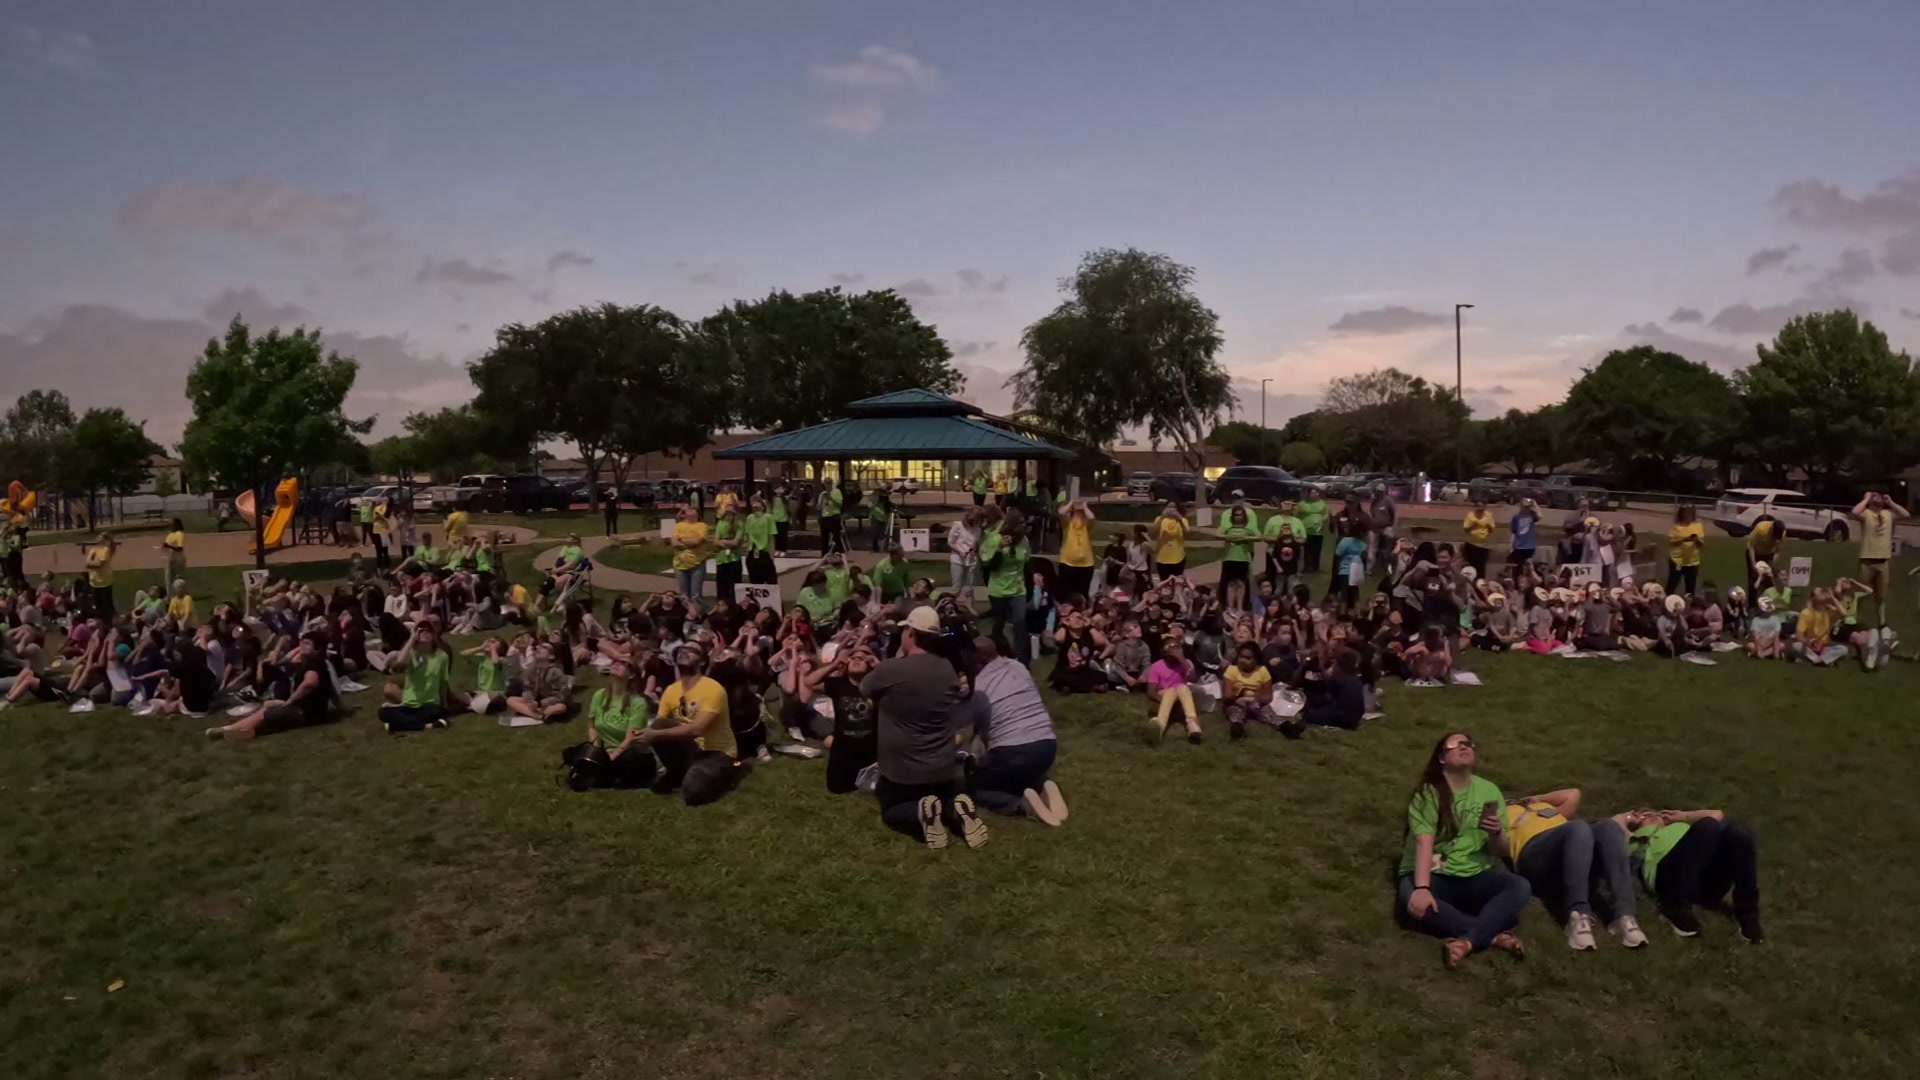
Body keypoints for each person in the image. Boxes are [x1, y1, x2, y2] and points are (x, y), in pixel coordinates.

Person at [1396, 732, 1531, 968]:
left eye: (1468, 743)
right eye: (1455, 744)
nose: (1464, 746)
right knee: (1417, 903)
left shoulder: (1489, 790)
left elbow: (1499, 852)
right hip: (1432, 874)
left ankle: (1468, 940)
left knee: (1519, 886)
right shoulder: (1429, 792)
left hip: (1473, 874)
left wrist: (1496, 833)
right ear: (1441, 757)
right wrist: (1422, 887)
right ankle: (1492, 934)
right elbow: (1423, 841)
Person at [861, 607, 988, 849]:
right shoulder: (947, 671)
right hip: (941, 765)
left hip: (901, 769)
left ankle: (920, 811)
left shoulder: (893, 669)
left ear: (910, 632)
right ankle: (954, 806)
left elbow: (866, 689)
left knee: (891, 809)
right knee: (940, 794)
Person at [1502, 788, 1647, 951]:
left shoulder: (1544, 807)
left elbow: (1573, 793)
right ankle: (1578, 915)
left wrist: (1535, 799)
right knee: (1578, 827)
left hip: (1575, 853)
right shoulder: (1501, 813)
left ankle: (1625, 916)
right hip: (1533, 855)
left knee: (1609, 826)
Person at [1615, 806, 1764, 942]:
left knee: (1739, 835)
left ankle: (1748, 915)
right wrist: (1628, 818)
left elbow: (1716, 814)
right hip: (1669, 880)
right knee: (1708, 826)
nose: (1652, 815)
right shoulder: (1633, 838)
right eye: (1643, 815)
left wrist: (1682, 816)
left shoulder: (1684, 828)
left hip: (1705, 883)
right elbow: (1612, 824)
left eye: (1656, 813)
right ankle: (1674, 907)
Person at [969, 636, 1068, 825]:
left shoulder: (979, 687)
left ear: (977, 660)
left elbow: (979, 738)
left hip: (1012, 751)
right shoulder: (1018, 667)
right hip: (1047, 745)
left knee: (976, 788)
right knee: (1017, 773)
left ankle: (1021, 805)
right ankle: (1042, 783)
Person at [635, 644, 742, 805]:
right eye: (681, 650)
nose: (683, 652)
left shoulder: (712, 688)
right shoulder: (671, 690)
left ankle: (726, 773)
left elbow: (697, 729)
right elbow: (658, 724)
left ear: (702, 662)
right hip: (689, 747)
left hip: (716, 752)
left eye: (691, 651)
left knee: (693, 792)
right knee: (659, 725)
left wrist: (655, 734)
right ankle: (678, 771)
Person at [205, 633, 340, 740]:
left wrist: (289, 702)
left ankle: (228, 730)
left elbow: (310, 683)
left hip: (308, 713)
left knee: (267, 712)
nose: (302, 646)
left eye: (308, 644)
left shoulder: (315, 664)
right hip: (308, 710)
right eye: (302, 642)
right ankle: (239, 731)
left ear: (318, 648)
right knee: (268, 707)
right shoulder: (313, 661)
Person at [578, 658, 657, 788]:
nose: (617, 664)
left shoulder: (638, 703)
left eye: (624, 664)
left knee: (626, 760)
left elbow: (631, 738)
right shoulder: (600, 695)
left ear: (632, 675)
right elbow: (592, 726)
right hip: (606, 750)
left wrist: (613, 754)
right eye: (616, 661)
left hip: (631, 752)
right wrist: (597, 750)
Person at [379, 622, 452, 731]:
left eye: (428, 631)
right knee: (383, 713)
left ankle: (397, 725)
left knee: (435, 711)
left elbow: (443, 681)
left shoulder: (442, 656)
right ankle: (426, 726)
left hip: (430, 704)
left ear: (433, 635)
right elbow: (399, 662)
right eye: (421, 631)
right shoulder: (412, 654)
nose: (424, 633)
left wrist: (444, 703)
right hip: (409, 704)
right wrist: (412, 638)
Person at [1850, 491, 1908, 628]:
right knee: (1860, 593)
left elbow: (1906, 514)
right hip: (1866, 560)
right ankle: (1852, 619)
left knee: (1881, 596)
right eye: (1874, 496)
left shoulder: (1889, 514)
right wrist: (1866, 499)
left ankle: (1882, 623)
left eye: (1879, 496)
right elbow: (1854, 512)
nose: (1878, 497)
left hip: (1883, 561)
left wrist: (1891, 502)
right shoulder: (1866, 514)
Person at [980, 514, 1031, 665]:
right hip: (998, 590)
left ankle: (1020, 660)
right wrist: (999, 548)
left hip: (1018, 589)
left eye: (1023, 524)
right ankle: (1000, 653)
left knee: (1020, 622)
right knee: (999, 625)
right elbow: (988, 566)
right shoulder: (995, 539)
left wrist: (1031, 585)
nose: (1022, 526)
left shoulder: (1024, 541)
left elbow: (1027, 564)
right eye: (1019, 524)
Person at [1143, 638, 1202, 745]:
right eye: (1170, 647)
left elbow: (1194, 679)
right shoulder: (1156, 666)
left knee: (1181, 687)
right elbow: (1151, 692)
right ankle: (1162, 725)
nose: (1174, 650)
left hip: (1182, 695)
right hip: (1163, 694)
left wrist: (1182, 660)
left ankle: (1190, 724)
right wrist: (1167, 701)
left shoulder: (1186, 663)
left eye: (1177, 647)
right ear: (1164, 651)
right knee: (1172, 691)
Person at [1057, 498, 1097, 603]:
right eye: (1076, 513)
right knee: (1066, 593)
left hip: (1086, 565)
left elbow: (1092, 517)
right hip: (1067, 564)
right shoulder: (1067, 524)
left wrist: (1084, 506)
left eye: (1081, 513)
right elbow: (1061, 513)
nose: (1079, 514)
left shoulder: (1086, 526)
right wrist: (1071, 503)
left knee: (1083, 593)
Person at [1218, 501, 1258, 603]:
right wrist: (1228, 537)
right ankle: (1230, 606)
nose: (1238, 517)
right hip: (1229, 559)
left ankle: (1240, 606)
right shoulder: (1228, 528)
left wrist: (1246, 538)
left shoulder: (1247, 530)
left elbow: (1259, 537)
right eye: (1236, 515)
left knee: (1241, 583)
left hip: (1243, 559)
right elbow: (1217, 534)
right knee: (1230, 583)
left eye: (1240, 515)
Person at [670, 504, 709, 608]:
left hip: (697, 563)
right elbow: (674, 543)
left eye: (693, 509)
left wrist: (681, 539)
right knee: (683, 595)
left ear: (697, 513)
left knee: (696, 595)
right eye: (689, 509)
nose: (691, 511)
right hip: (679, 564)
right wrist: (689, 542)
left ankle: (698, 616)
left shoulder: (702, 526)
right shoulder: (678, 526)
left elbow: (697, 541)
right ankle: (686, 616)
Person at [1665, 504, 1705, 596]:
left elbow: (1701, 545)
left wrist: (1696, 540)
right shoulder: (1676, 527)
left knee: (1690, 590)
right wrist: (1684, 539)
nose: (1688, 515)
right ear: (1681, 514)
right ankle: (1667, 603)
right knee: (1672, 585)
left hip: (1692, 562)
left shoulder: (1698, 526)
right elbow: (1672, 541)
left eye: (1690, 512)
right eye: (1686, 512)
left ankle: (1689, 606)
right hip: (1677, 561)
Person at [947, 507, 981, 604]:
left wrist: (974, 550)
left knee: (969, 587)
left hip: (971, 559)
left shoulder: (977, 529)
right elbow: (950, 542)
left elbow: (976, 543)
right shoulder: (958, 525)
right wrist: (960, 551)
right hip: (958, 559)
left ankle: (969, 607)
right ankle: (950, 607)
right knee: (956, 587)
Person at [711, 503, 742, 607]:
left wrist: (722, 541)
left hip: (734, 559)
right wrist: (725, 542)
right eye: (727, 511)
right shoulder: (721, 522)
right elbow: (715, 541)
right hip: (721, 559)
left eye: (731, 512)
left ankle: (734, 607)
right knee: (721, 588)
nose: (728, 514)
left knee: (734, 587)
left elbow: (736, 542)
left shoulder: (739, 524)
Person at [743, 495, 778, 585]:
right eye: (754, 507)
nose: (755, 508)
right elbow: (748, 537)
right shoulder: (749, 518)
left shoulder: (768, 518)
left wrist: (772, 555)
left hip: (764, 551)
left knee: (770, 580)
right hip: (753, 551)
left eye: (758, 506)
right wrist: (747, 554)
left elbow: (771, 537)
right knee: (754, 580)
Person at [85, 533, 117, 617]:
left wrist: (92, 564)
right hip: (94, 581)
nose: (97, 537)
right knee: (97, 605)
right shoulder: (93, 550)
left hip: (104, 581)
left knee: (107, 604)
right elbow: (87, 564)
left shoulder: (105, 550)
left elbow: (99, 564)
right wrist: (92, 564)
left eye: (100, 536)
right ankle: (100, 621)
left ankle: (110, 620)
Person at [1297, 487, 1328, 574]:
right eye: (1313, 493)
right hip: (1306, 530)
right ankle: (1306, 567)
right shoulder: (1302, 504)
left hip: (1318, 531)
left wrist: (1323, 520)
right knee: (1307, 550)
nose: (1315, 494)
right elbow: (1296, 514)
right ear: (1308, 494)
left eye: (1316, 493)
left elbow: (1326, 514)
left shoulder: (1322, 504)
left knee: (1317, 549)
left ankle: (1315, 567)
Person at [1152, 503, 1187, 580]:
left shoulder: (1182, 520)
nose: (1171, 510)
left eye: (1173, 508)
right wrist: (1162, 517)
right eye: (1169, 507)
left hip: (1178, 557)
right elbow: (1154, 531)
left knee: (1177, 581)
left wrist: (1180, 519)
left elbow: (1187, 531)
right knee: (1164, 581)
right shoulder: (1159, 519)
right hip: (1162, 557)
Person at [1461, 499, 1495, 578]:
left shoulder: (1489, 515)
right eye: (1478, 506)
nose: (1480, 508)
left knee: (1481, 568)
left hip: (1483, 545)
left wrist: (1488, 525)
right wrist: (1474, 524)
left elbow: (1491, 529)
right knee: (1471, 566)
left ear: (1485, 507)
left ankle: (1480, 584)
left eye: (1482, 506)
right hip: (1472, 544)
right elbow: (1466, 529)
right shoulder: (1470, 515)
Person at [817, 477, 845, 555]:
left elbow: (840, 504)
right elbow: (819, 507)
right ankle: (824, 555)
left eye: (829, 483)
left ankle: (839, 553)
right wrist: (823, 498)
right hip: (825, 517)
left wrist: (830, 498)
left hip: (834, 516)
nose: (828, 485)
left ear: (832, 484)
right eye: (826, 483)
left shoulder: (837, 492)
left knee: (836, 537)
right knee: (824, 538)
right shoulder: (822, 494)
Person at [1509, 498, 1540, 567]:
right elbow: (1513, 532)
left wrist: (1535, 504)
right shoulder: (1516, 517)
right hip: (1519, 546)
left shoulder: (1532, 515)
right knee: (1518, 566)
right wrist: (1511, 545)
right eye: (1524, 506)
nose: (1526, 508)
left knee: (1529, 566)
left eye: (1528, 507)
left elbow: (1540, 516)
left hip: (1530, 546)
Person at [161, 518, 187, 585]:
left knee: (179, 581)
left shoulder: (179, 534)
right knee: (168, 580)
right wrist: (164, 546)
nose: (171, 525)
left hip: (178, 560)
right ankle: (170, 595)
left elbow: (180, 548)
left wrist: (169, 546)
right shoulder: (170, 535)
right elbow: (166, 546)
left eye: (173, 524)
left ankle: (181, 594)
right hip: (170, 560)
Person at [770, 482, 791, 556]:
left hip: (783, 519)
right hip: (775, 519)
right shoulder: (772, 499)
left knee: (783, 536)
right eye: (779, 488)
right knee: (777, 536)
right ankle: (777, 549)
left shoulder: (784, 499)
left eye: (781, 488)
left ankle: (783, 550)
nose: (781, 490)